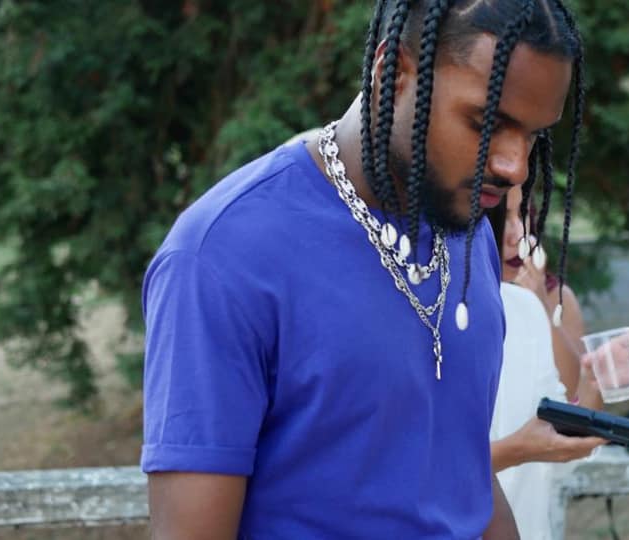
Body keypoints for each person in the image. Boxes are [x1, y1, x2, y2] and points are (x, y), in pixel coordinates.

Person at [141, 1, 589, 538]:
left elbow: (458, 470)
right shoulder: (225, 253)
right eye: (486, 122)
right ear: (392, 73)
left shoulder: (465, 230)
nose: (515, 166)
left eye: (535, 135)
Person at [486, 185, 629, 539]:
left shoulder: (527, 309)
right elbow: (413, 473)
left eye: (523, 215)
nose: (518, 234)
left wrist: (592, 384)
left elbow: (554, 449)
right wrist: (516, 451)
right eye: (501, 216)